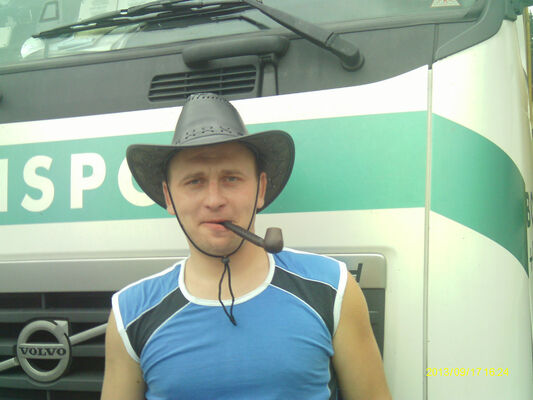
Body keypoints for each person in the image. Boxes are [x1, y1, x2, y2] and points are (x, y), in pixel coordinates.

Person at [100, 93, 392, 400]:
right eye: (194, 181)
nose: (214, 200)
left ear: (260, 189)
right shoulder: (130, 314)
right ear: (169, 197)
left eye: (231, 178)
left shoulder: (332, 289)